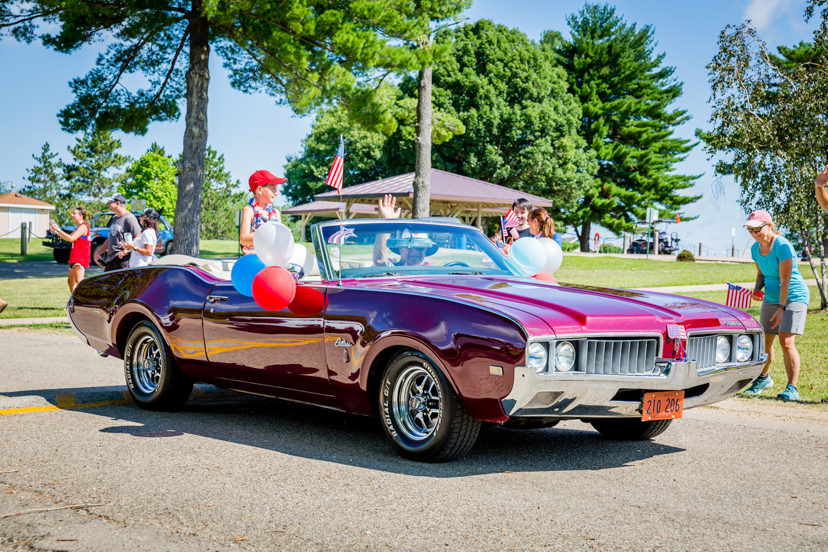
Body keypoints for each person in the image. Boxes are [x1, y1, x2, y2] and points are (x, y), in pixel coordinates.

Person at [741, 210, 810, 401]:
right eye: (750, 229)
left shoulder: (783, 246)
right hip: (771, 297)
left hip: (793, 295)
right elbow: (761, 274)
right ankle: (763, 378)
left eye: (757, 228)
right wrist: (756, 290)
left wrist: (781, 308)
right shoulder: (755, 248)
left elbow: (785, 280)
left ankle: (792, 388)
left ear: (769, 225)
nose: (754, 233)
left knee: (786, 342)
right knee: (766, 340)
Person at [240, 170, 285, 255]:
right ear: (260, 190)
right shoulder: (249, 210)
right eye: (273, 189)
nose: (277, 193)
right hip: (253, 258)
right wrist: (269, 235)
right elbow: (243, 239)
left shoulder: (276, 212)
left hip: (272, 257)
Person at [94, 193, 141, 272]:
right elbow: (110, 238)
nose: (109, 204)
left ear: (118, 203)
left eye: (111, 202)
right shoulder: (114, 218)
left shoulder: (129, 218)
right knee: (107, 284)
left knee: (123, 284)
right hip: (111, 260)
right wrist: (98, 252)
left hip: (123, 261)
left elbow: (138, 238)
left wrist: (125, 252)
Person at [50, 207, 91, 292]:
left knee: (79, 282)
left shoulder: (83, 227)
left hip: (80, 258)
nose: (72, 215)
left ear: (81, 216)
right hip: (74, 257)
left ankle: (83, 302)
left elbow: (71, 238)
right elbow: (67, 238)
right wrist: (55, 231)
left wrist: (58, 229)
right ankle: (74, 302)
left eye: (74, 213)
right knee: (70, 282)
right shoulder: (79, 227)